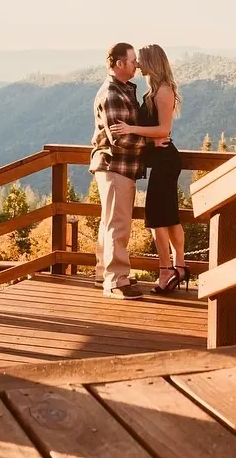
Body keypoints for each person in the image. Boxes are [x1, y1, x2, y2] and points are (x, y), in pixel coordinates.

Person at [110, 44, 189, 293]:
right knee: (169, 216)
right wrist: (147, 138)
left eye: (141, 60)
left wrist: (132, 129)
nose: (138, 64)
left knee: (156, 219)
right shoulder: (155, 89)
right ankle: (181, 266)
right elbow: (156, 131)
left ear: (152, 62)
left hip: (166, 161)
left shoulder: (163, 91)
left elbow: (164, 130)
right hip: (162, 160)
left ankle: (166, 272)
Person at [89, 42, 145, 299]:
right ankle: (116, 281)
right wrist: (153, 141)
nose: (137, 65)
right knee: (118, 224)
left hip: (115, 167)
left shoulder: (120, 90)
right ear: (120, 63)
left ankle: (105, 272)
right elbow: (120, 139)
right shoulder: (112, 94)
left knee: (110, 221)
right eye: (133, 61)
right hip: (116, 166)